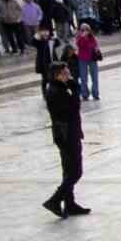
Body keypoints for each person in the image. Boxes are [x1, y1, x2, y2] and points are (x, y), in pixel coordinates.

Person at [42, 62, 88, 218]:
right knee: (75, 171)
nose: (68, 74)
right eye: (65, 73)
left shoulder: (59, 89)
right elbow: (73, 108)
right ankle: (55, 200)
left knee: (69, 170)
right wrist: (75, 90)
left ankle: (70, 203)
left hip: (68, 133)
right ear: (58, 75)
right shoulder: (56, 91)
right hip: (66, 134)